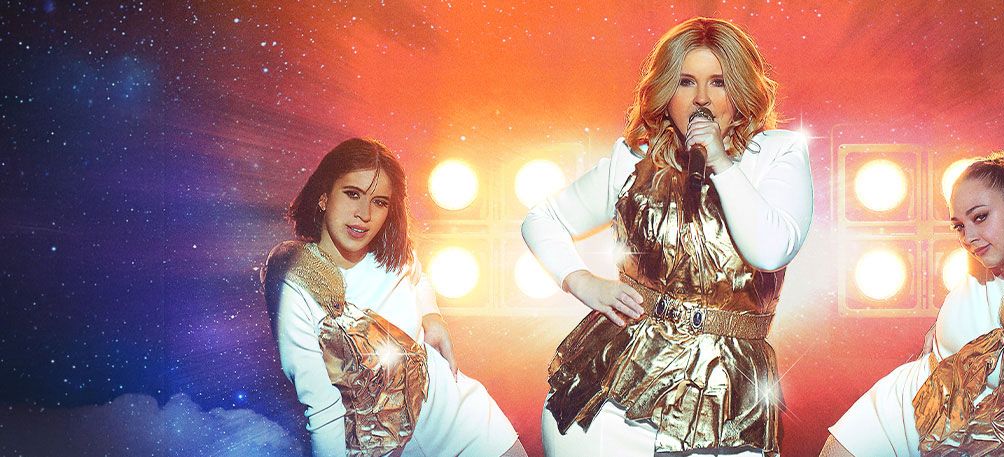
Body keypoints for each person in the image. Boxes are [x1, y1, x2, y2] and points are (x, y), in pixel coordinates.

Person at [522, 17, 812, 457]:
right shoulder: (634, 158)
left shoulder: (776, 154)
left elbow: (769, 251)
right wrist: (582, 282)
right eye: (685, 81)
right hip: (614, 391)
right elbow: (542, 218)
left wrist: (720, 162)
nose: (702, 99)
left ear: (742, 88)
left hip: (726, 399)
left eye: (718, 82)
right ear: (664, 91)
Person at [821, 151, 1004, 457]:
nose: (968, 237)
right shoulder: (981, 256)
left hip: (963, 447)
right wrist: (939, 328)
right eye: (959, 226)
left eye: (980, 217)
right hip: (895, 413)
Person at [263, 138, 526, 456]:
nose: (364, 214)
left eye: (379, 202)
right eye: (352, 194)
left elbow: (419, 278)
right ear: (323, 196)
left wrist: (433, 316)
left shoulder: (393, 253)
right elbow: (321, 405)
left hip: (472, 430)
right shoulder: (296, 276)